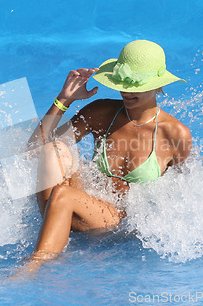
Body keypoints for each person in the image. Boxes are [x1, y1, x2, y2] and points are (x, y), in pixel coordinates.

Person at [24, 39, 192, 270]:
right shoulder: (101, 111)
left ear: (157, 85)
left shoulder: (175, 134)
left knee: (63, 194)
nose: (125, 91)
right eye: (122, 83)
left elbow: (188, 189)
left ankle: (32, 267)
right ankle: (48, 247)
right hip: (74, 202)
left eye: (135, 85)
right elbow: (33, 150)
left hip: (113, 225)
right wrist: (64, 100)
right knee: (54, 149)